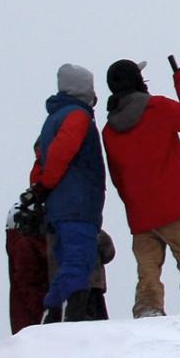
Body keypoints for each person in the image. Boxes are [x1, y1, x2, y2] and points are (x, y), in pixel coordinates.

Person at [102, 56, 180, 317]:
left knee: (147, 267)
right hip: (173, 204)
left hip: (140, 211)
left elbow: (116, 176)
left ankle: (148, 308)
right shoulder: (157, 108)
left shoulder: (110, 130)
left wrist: (132, 202)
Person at [31, 63, 108, 320]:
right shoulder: (77, 115)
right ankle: (65, 314)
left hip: (60, 206)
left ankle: (55, 313)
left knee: (68, 261)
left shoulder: (52, 118)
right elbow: (62, 152)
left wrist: (41, 189)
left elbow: (42, 158)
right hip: (77, 203)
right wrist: (47, 184)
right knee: (80, 259)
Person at [5, 186, 49, 334]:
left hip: (27, 322)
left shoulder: (21, 244)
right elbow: (29, 285)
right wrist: (45, 313)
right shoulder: (25, 245)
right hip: (34, 322)